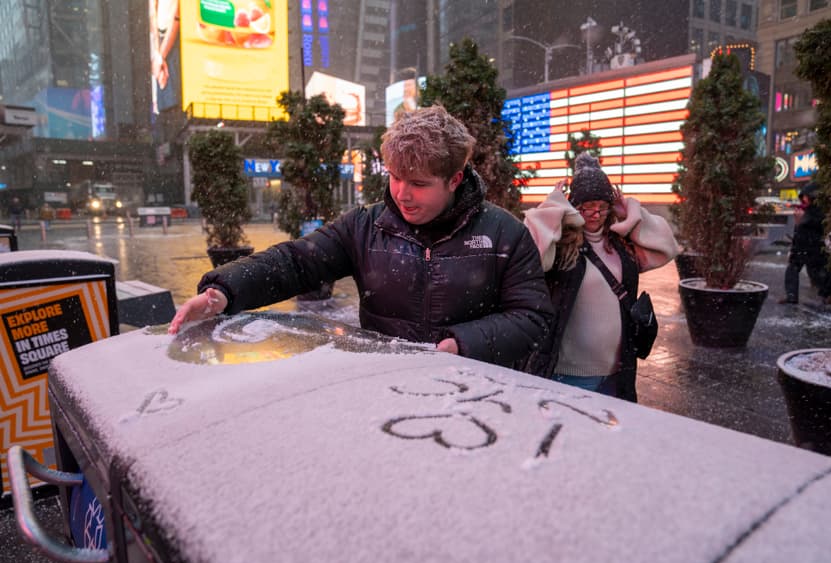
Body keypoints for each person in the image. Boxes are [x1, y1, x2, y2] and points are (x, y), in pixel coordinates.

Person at [169, 105, 553, 368]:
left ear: (454, 180)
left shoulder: (504, 233)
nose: (402, 193)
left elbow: (533, 318)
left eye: (418, 183)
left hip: (472, 389)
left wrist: (462, 344)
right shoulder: (365, 226)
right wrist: (223, 292)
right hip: (380, 381)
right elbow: (295, 261)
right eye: (395, 177)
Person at [521, 153, 679, 402]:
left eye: (602, 207)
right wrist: (553, 208)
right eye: (587, 207)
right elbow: (531, 258)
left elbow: (667, 247)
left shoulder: (621, 245)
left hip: (617, 374)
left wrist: (631, 213)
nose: (595, 214)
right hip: (568, 375)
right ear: (574, 206)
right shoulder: (562, 246)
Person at [778, 181, 831, 305]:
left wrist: (802, 221)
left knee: (818, 273)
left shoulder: (818, 210)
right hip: (800, 245)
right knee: (793, 269)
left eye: (805, 196)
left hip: (813, 246)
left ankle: (830, 293)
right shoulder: (803, 210)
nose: (803, 199)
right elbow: (798, 229)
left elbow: (820, 225)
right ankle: (792, 296)